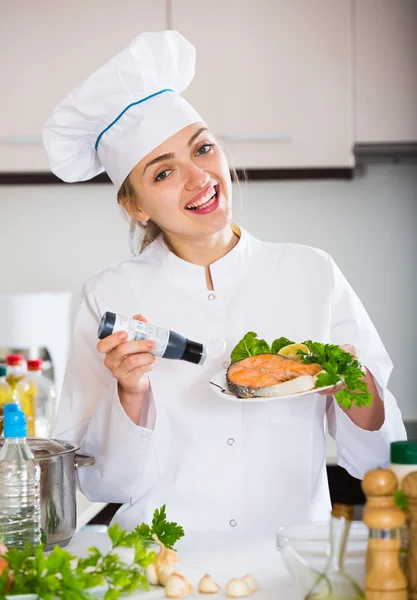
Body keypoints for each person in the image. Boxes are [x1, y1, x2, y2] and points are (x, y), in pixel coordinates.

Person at [43, 31, 406, 534]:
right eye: (164, 173)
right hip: (161, 568)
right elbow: (104, 486)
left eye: (204, 149)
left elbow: (380, 463)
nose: (200, 178)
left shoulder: (311, 273)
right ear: (135, 204)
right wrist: (130, 392)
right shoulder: (109, 296)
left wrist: (352, 380)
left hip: (292, 565)